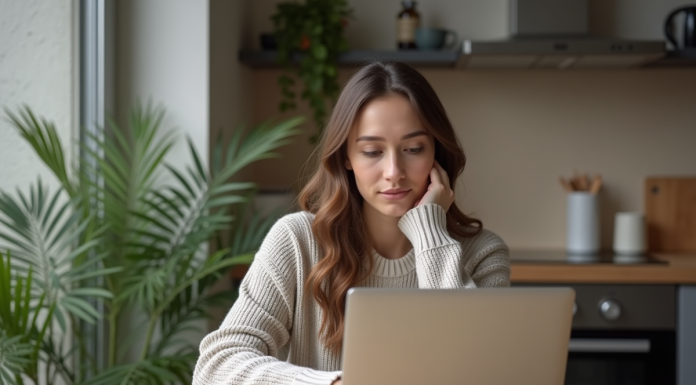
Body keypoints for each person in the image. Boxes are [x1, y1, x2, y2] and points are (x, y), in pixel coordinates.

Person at [192, 61, 510, 385]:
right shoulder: (297, 241)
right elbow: (216, 367)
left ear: (436, 154)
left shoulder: (483, 254)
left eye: (413, 149)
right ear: (347, 157)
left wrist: (429, 230)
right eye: (372, 151)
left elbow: (479, 370)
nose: (393, 171)